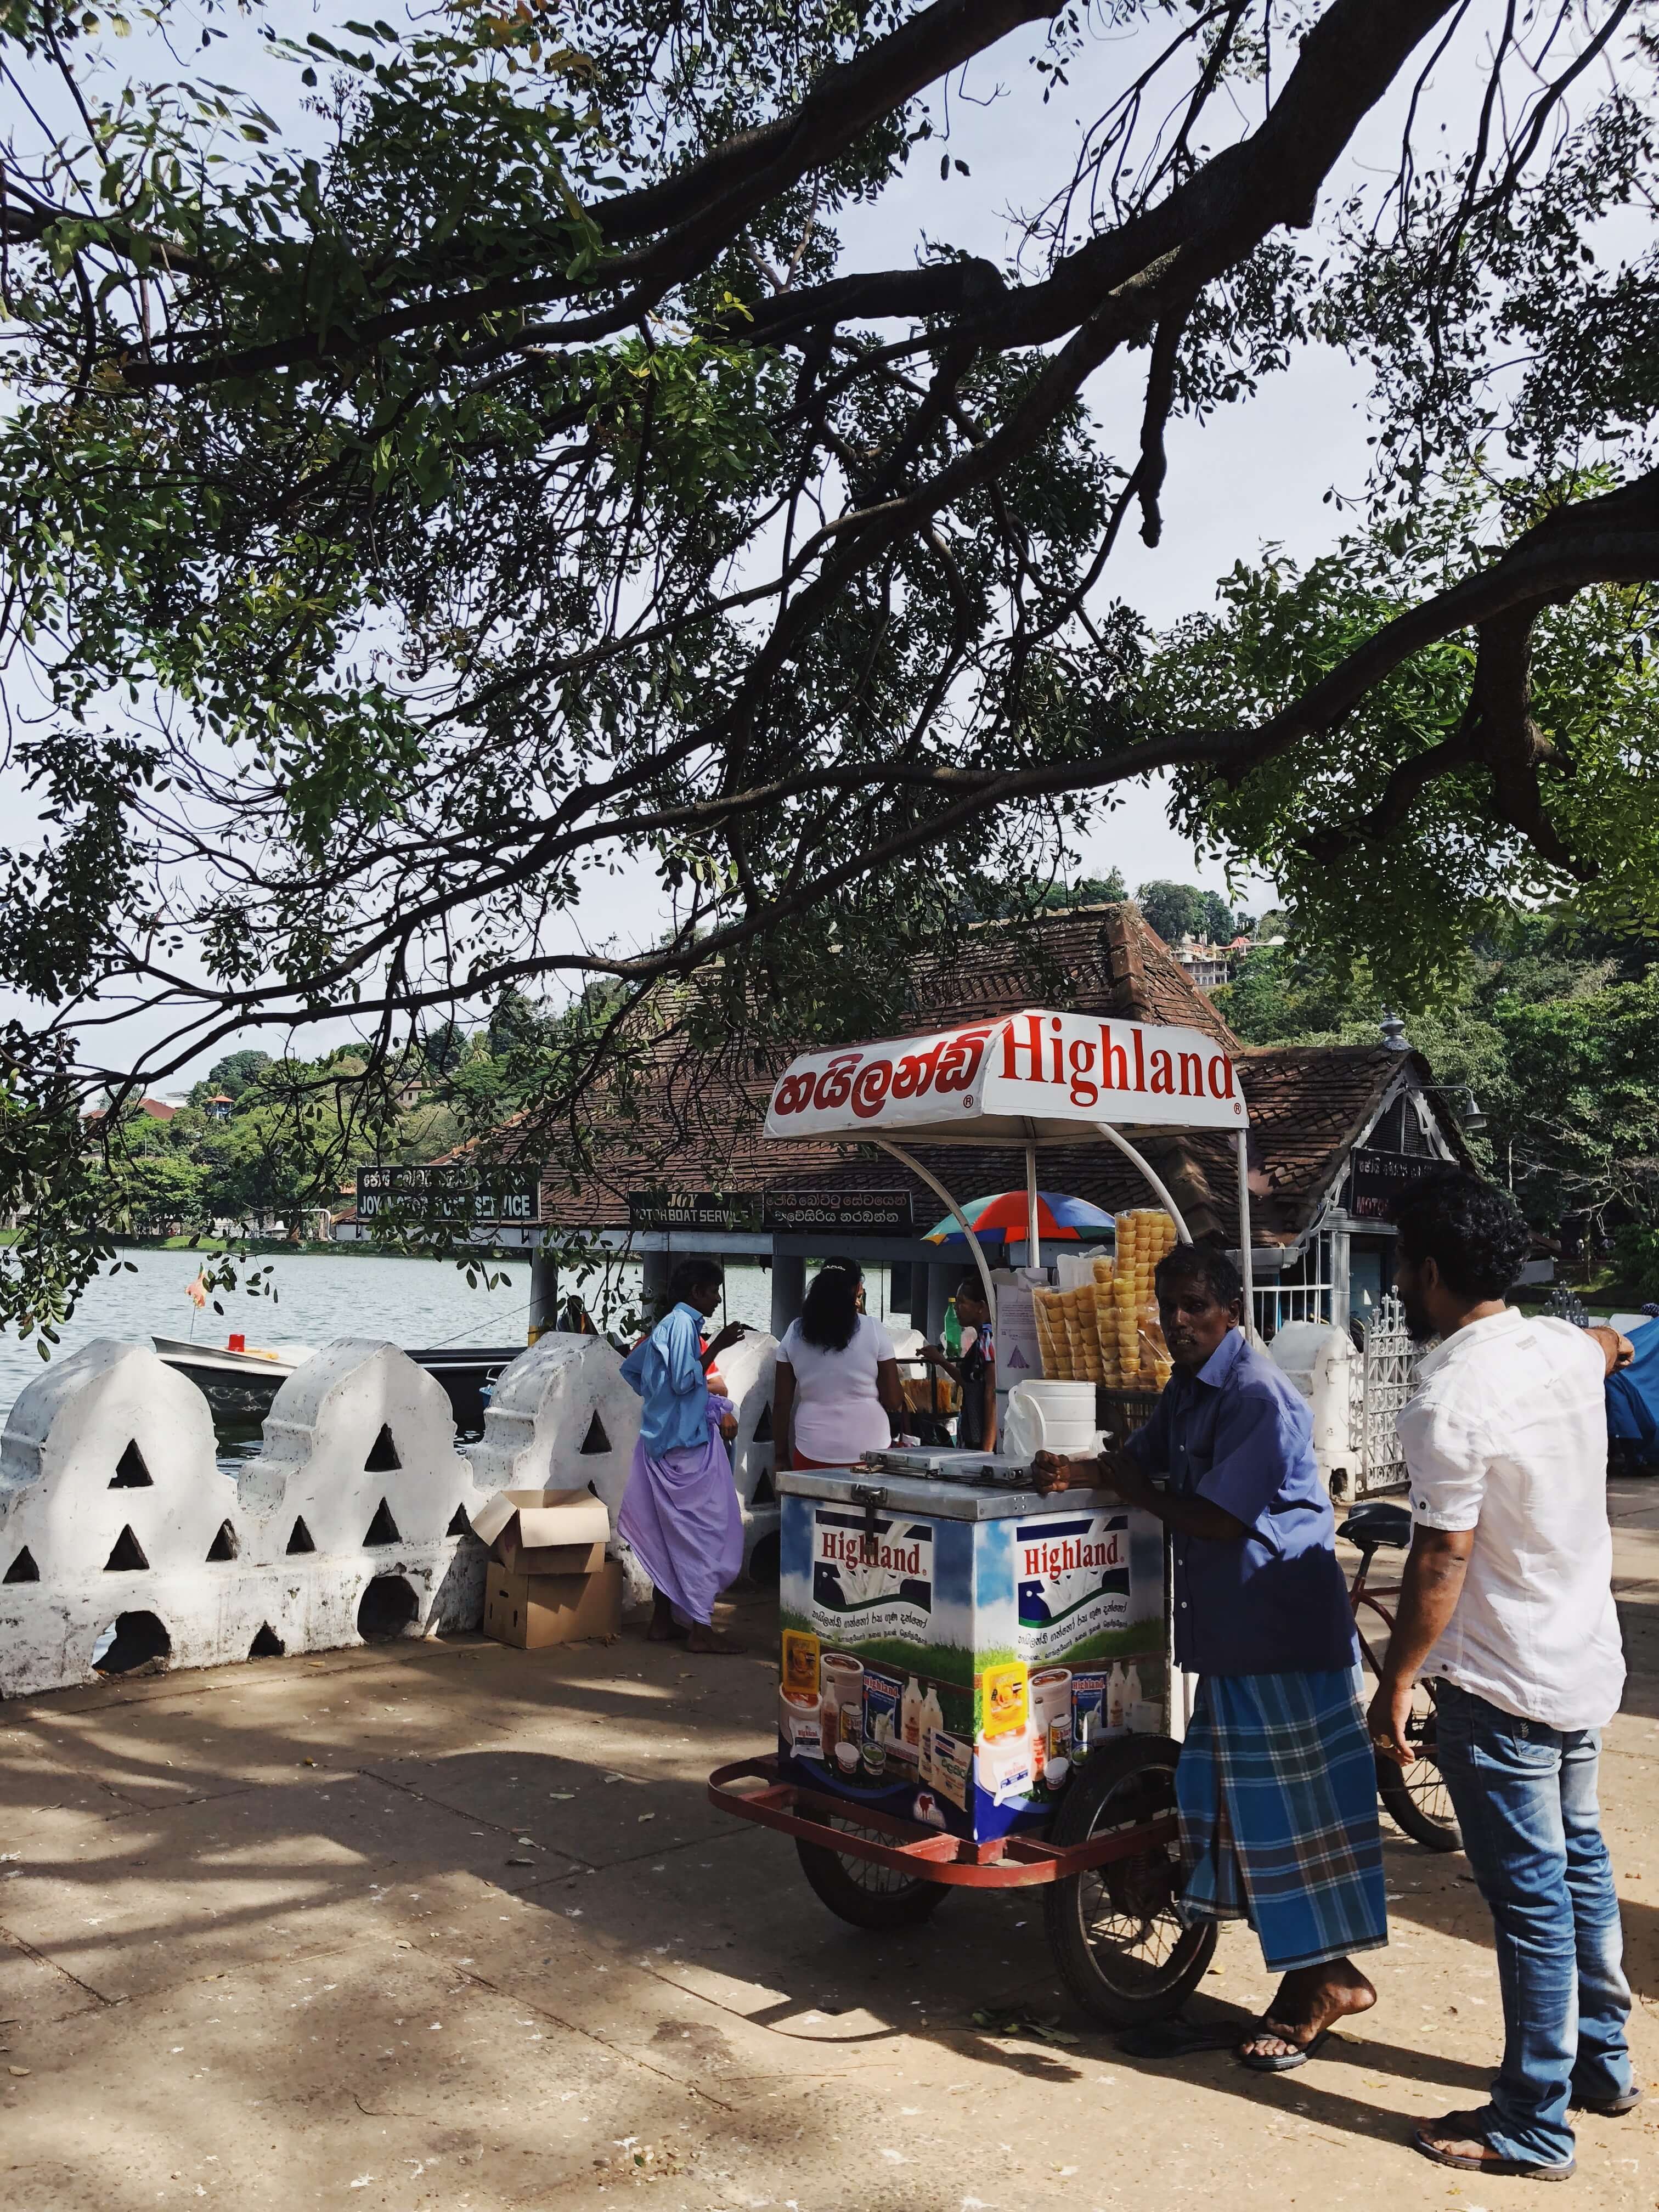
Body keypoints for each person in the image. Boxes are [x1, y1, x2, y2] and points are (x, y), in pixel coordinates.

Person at [1034, 1243, 1385, 2069]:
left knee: (1289, 1823)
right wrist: (1077, 1469)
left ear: (1232, 1310)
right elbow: (1146, 1457)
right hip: (1231, 1641)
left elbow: (1219, 1519)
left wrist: (1128, 1487)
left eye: (1194, 1305)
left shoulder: (1258, 1395)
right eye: (1169, 1307)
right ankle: (1313, 1977)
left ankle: (1324, 1982)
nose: (1178, 1322)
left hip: (1281, 1638)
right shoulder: (1188, 1389)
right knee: (1231, 1813)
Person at [1370, 1172, 1636, 2180]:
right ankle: (1599, 2066)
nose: (1396, 1280)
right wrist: (1615, 1342)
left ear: (1428, 1273)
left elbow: (1439, 1557)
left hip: (1502, 1683)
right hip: (1577, 1663)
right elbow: (1612, 1343)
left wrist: (1398, 1678)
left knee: (1530, 1900)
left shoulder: (1448, 1393)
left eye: (1399, 1264)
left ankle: (1532, 2120)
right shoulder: (1563, 1347)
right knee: (1577, 1868)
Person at [617, 1257, 749, 1655]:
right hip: (684, 1449)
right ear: (697, 1292)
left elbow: (632, 1371)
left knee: (668, 1535)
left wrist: (660, 1403)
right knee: (703, 1536)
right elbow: (686, 1380)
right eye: (713, 1292)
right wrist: (719, 1346)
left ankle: (663, 1621)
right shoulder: (681, 1326)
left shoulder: (666, 1326)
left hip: (661, 1444)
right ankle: (701, 1630)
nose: (716, 1299)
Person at [772, 1260, 905, 1469]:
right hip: (870, 1447)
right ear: (858, 1290)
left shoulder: (795, 1331)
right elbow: (893, 1400)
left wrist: (780, 1456)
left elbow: (781, 1403)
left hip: (813, 1447)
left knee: (813, 1502)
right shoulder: (874, 1329)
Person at [921, 1273, 997, 1452]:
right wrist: (940, 1360)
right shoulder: (982, 1338)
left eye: (962, 1302)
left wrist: (986, 1449)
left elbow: (992, 1392)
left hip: (979, 1439)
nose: (956, 1308)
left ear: (980, 1307)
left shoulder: (988, 1336)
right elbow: (970, 1384)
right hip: (971, 1433)